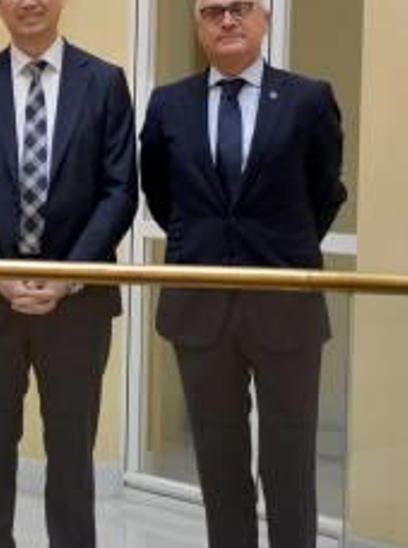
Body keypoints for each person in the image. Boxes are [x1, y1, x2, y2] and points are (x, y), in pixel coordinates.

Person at [140, 1, 347, 546]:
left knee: (289, 463)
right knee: (218, 461)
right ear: (198, 24)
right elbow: (162, 196)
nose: (227, 20)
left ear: (264, 18)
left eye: (240, 8)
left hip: (286, 307)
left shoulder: (308, 98)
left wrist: (279, 250)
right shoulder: (169, 105)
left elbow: (324, 194)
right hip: (199, 310)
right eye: (212, 11)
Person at [0, 0, 138, 545]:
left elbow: (120, 191)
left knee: (72, 457)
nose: (29, 2)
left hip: (78, 305)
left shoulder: (105, 83)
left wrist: (68, 275)